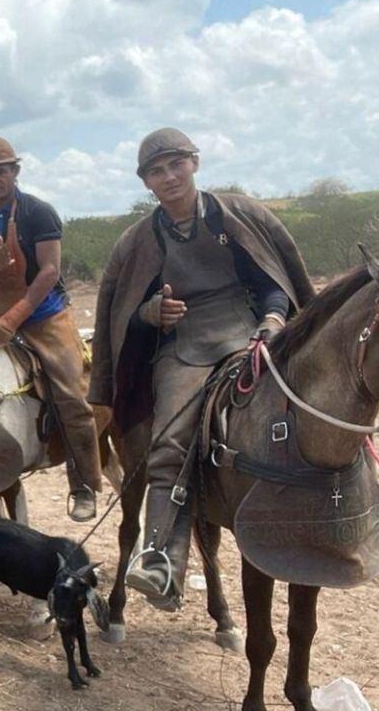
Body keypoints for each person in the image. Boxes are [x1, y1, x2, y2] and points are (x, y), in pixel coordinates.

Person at [89, 127, 315, 610]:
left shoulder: (240, 215)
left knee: (315, 406)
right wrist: (153, 313)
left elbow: (273, 278)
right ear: (145, 182)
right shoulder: (136, 242)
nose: (168, 176)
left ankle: (352, 522)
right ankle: (160, 558)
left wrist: (275, 320)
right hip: (184, 347)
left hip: (250, 332)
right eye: (156, 170)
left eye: (176, 164)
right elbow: (121, 311)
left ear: (194, 162)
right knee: (169, 438)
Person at [0, 137, 104, 522]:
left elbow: (49, 272)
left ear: (15, 172)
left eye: (0, 172)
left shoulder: (39, 213)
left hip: (45, 314)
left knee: (72, 397)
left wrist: (15, 318)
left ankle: (84, 484)